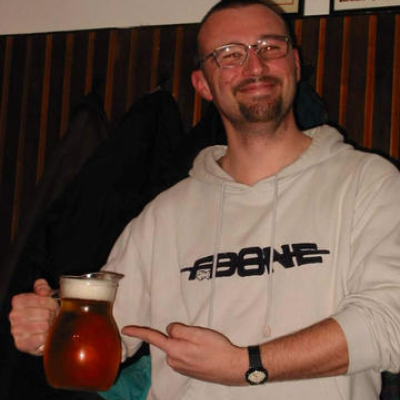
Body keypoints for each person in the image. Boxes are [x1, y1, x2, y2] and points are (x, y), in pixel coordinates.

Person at [9, 1, 400, 400]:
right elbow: (106, 334)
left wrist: (247, 365)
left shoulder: (367, 181)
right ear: (203, 85)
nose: (255, 66)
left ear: (295, 64)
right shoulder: (164, 215)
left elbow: (392, 323)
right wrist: (52, 326)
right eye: (229, 55)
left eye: (270, 47)